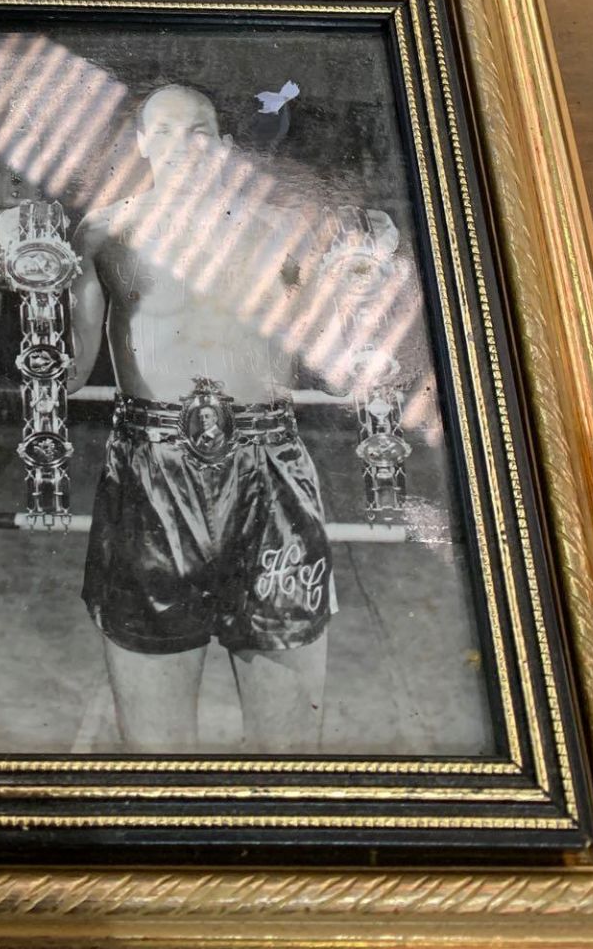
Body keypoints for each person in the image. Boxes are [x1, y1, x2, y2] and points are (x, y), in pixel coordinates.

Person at [67, 84, 384, 755]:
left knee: (289, 752)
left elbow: (342, 357)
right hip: (149, 478)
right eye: (168, 132)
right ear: (143, 146)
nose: (186, 146)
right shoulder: (101, 232)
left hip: (268, 475)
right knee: (156, 757)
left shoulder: (288, 231)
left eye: (201, 131)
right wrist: (45, 292)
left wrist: (367, 275)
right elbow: (68, 373)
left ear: (227, 145)